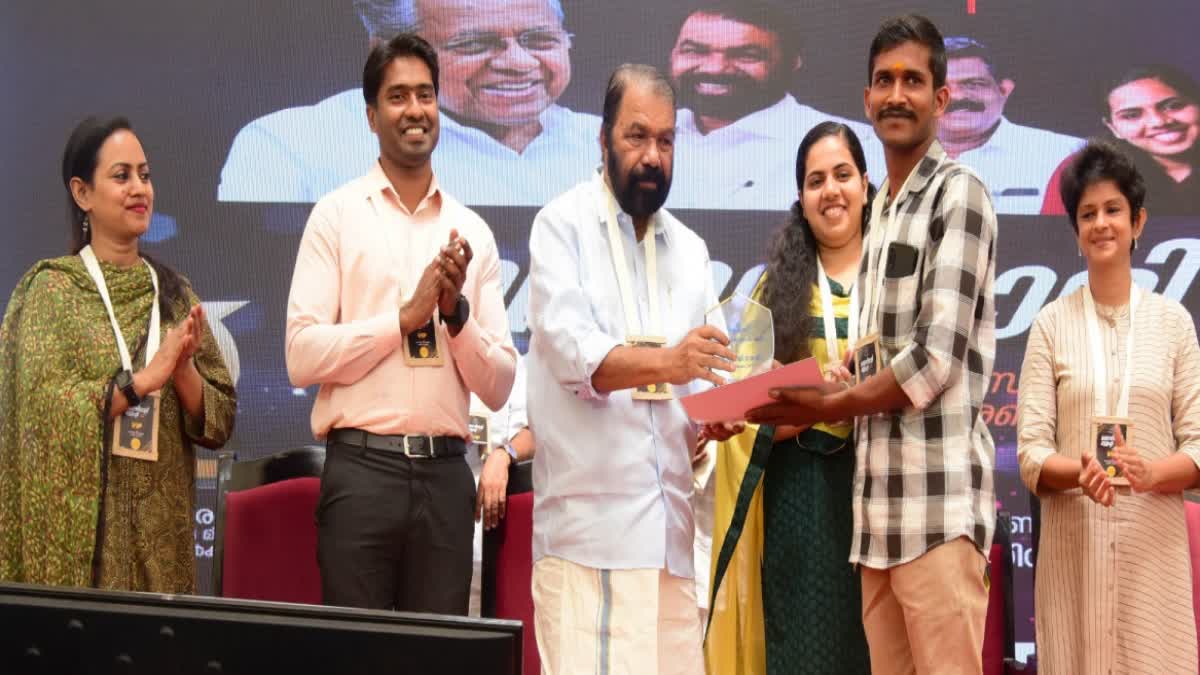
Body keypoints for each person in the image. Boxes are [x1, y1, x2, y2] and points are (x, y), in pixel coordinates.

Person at [747, 15, 997, 674]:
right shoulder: (881, 210)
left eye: (913, 80)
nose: (896, 94)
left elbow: (930, 360)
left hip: (936, 514)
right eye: (884, 80)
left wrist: (826, 401)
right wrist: (781, 402)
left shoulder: (958, 195)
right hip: (875, 524)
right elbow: (874, 357)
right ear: (866, 99)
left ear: (941, 98)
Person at [285, 33, 517, 614]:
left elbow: (500, 384)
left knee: (437, 658)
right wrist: (403, 320)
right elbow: (302, 356)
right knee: (357, 657)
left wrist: (452, 314)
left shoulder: (472, 231)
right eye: (397, 97)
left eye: (425, 95)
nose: (415, 110)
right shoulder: (335, 216)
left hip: (444, 477)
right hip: (361, 472)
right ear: (370, 114)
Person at [526, 63, 740, 675]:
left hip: (670, 542)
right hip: (586, 540)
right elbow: (571, 351)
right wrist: (672, 362)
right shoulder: (560, 226)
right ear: (603, 140)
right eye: (636, 137)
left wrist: (713, 421)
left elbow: (694, 388)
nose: (652, 156)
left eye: (666, 141)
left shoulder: (692, 251)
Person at [0, 116, 237, 592]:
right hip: (82, 551)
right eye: (121, 175)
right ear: (82, 193)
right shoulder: (53, 291)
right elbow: (43, 411)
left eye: (145, 176)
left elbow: (219, 422)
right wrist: (143, 381)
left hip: (161, 547)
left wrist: (183, 367)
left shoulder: (174, 294)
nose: (139, 189)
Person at [1017, 139, 1200, 674]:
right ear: (1075, 232)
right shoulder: (1050, 324)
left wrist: (1152, 472)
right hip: (1075, 554)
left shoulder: (1174, 325)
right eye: (1088, 214)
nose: (1101, 224)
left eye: (1113, 210)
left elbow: (1198, 445)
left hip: (1153, 554)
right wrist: (1079, 471)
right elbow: (1030, 453)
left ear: (1138, 222)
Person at [705, 121, 873, 675]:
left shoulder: (899, 280)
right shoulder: (769, 291)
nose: (831, 191)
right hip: (800, 501)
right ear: (800, 199)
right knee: (803, 652)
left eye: (843, 175)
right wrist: (811, 398)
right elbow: (736, 417)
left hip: (884, 491)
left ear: (867, 185)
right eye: (815, 180)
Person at [219, 0, 599, 206]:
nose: (518, 63)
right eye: (472, 44)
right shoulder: (293, 147)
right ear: (388, 53)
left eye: (539, 40)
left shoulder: (616, 145)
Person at [666, 0, 884, 210]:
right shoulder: (643, 137)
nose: (715, 68)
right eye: (695, 51)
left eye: (746, 55)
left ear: (793, 61)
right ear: (673, 54)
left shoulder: (857, 147)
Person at [938, 35, 1081, 214]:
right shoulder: (892, 158)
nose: (957, 96)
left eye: (974, 84)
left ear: (1004, 90)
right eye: (941, 88)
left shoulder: (1068, 154)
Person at [1042, 64, 1200, 216]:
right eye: (1132, 115)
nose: (1158, 122)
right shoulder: (1085, 171)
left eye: (1173, 106)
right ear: (1113, 128)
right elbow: (1058, 236)